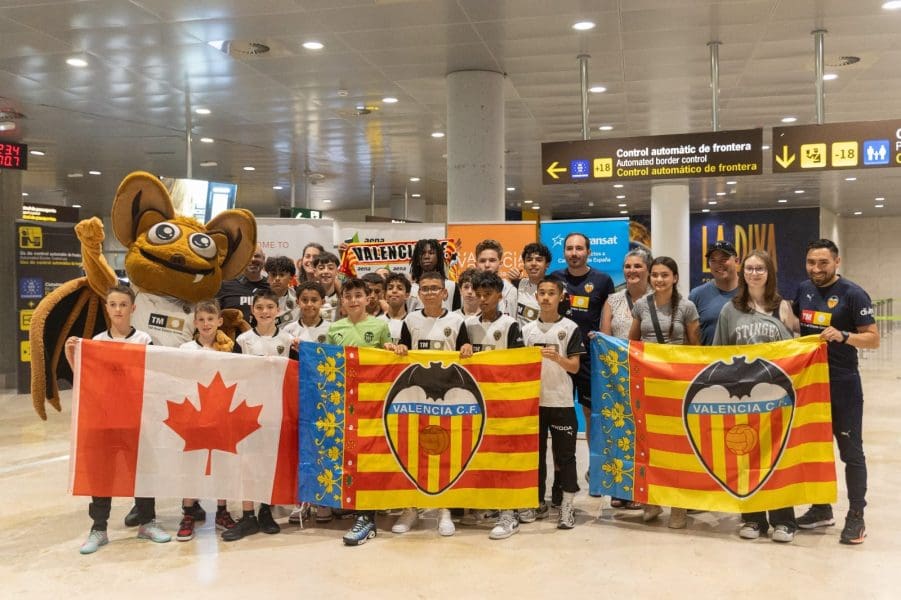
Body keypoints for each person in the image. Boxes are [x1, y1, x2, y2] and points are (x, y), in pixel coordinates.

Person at [64, 284, 171, 554]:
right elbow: (87, 380)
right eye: (113, 305)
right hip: (105, 420)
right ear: (107, 308)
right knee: (103, 473)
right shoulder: (97, 341)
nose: (118, 310)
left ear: (133, 308)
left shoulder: (144, 340)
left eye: (123, 304)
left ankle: (147, 522)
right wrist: (71, 353)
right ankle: (99, 528)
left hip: (136, 420)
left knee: (142, 471)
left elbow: (153, 379)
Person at [792, 239, 879, 545]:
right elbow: (795, 326)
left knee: (851, 452)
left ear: (837, 262)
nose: (816, 268)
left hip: (843, 384)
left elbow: (873, 339)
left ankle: (856, 515)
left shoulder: (853, 294)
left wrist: (844, 335)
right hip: (810, 384)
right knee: (814, 449)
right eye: (811, 262)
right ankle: (820, 508)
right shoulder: (803, 290)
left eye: (823, 263)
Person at [712, 250, 800, 543]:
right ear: (742, 272)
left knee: (777, 457)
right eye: (749, 268)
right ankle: (752, 518)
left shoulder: (782, 307)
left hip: (776, 396)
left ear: (769, 272)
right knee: (746, 456)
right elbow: (719, 353)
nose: (754, 273)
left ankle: (784, 520)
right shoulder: (730, 310)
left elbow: (794, 352)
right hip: (742, 397)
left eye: (760, 268)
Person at [390, 270, 473, 537]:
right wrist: (400, 350)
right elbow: (401, 351)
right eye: (424, 288)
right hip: (416, 399)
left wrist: (467, 349)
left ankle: (444, 510)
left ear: (445, 292)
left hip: (448, 400)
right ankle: (411, 508)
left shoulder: (457, 320)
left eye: (434, 288)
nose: (429, 293)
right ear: (418, 293)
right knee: (413, 451)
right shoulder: (411, 320)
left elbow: (466, 351)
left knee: (445, 453)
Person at [629, 256, 699, 529]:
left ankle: (679, 506)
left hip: (677, 386)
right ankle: (653, 500)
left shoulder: (687, 307)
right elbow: (632, 343)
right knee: (650, 444)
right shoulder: (640, 306)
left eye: (664, 275)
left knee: (677, 447)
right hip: (648, 385)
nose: (659, 279)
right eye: (655, 275)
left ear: (675, 278)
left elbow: (695, 347)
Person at [223, 289, 295, 541]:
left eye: (270, 307)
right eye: (260, 307)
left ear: (278, 310)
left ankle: (265, 510)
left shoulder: (288, 340)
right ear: (252, 310)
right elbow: (232, 373)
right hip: (248, 409)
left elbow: (296, 374)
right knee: (247, 461)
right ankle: (247, 516)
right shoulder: (243, 340)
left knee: (269, 461)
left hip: (276, 410)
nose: (265, 312)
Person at [326, 279, 393, 546]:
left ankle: (367, 516)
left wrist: (394, 350)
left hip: (373, 402)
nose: (353, 300)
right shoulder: (335, 328)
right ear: (342, 301)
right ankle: (355, 508)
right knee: (350, 454)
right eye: (348, 296)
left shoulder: (380, 326)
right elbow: (328, 364)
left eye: (358, 295)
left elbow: (390, 361)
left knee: (369, 456)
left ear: (368, 299)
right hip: (345, 401)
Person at [463, 271, 526, 539]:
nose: (482, 299)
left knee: (505, 456)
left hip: (502, 401)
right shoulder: (468, 325)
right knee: (482, 453)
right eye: (478, 294)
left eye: (487, 294)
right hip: (476, 401)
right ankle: (489, 504)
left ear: (500, 295)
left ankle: (510, 513)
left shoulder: (511, 325)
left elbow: (518, 365)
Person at [521, 277, 585, 529]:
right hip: (533, 403)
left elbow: (575, 367)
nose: (546, 297)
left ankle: (567, 506)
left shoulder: (570, 328)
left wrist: (558, 358)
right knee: (534, 456)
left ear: (561, 297)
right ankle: (536, 502)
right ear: (536, 296)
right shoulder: (526, 330)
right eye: (542, 293)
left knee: (565, 456)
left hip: (561, 402)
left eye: (551, 293)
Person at [176, 300, 240, 541]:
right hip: (194, 415)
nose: (206, 324)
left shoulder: (228, 348)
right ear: (194, 322)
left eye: (210, 319)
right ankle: (189, 512)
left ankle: (222, 511)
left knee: (222, 463)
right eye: (201, 320)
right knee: (191, 464)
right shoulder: (185, 349)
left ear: (219, 321)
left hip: (221, 414)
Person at [549, 233, 615, 458]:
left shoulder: (603, 280)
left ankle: (594, 467)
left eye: (579, 248)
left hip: (590, 358)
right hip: (560, 358)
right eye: (569, 248)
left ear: (588, 252)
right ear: (564, 252)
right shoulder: (555, 278)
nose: (574, 253)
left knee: (591, 414)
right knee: (560, 414)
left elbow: (609, 316)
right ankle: (563, 466)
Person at [600, 248, 652, 510]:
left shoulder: (659, 298)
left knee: (646, 435)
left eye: (638, 266)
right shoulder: (613, 300)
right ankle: (620, 488)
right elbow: (605, 338)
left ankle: (643, 488)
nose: (632, 271)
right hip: (619, 377)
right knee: (620, 433)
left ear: (648, 270)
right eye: (628, 266)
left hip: (651, 377)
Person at [689, 240, 740, 346]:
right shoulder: (696, 295)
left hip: (745, 356)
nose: (718, 264)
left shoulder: (751, 292)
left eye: (724, 259)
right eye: (713, 260)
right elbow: (690, 338)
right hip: (708, 357)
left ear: (736, 261)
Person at [216, 244, 268, 323]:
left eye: (257, 256)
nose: (252, 259)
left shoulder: (272, 286)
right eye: (248, 256)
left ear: (263, 259)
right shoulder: (224, 285)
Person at [409, 239, 460, 312]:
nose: (426, 256)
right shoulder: (410, 289)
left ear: (438, 257)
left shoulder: (452, 286)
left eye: (431, 253)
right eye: (422, 253)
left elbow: (457, 314)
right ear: (417, 259)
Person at [474, 239, 517, 316]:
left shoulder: (511, 291)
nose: (487, 265)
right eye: (482, 261)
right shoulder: (469, 291)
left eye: (492, 260)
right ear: (476, 264)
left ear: (500, 263)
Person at [516, 242, 552, 327]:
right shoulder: (519, 284)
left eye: (539, 260)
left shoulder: (555, 290)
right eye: (529, 260)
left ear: (547, 265)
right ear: (524, 264)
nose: (533, 264)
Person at [265, 255, 299, 327]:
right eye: (273, 275)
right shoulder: (260, 298)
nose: (277, 278)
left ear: (290, 278)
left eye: (281, 275)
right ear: (268, 277)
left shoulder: (298, 296)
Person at [379, 272, 411, 343]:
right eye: (390, 288)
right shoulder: (377, 321)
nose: (394, 291)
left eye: (400, 288)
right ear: (385, 295)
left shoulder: (412, 322)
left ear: (407, 295)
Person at [314, 252, 342, 321]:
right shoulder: (309, 296)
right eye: (321, 268)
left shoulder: (343, 297)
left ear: (337, 272)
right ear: (315, 272)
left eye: (330, 268)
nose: (326, 271)